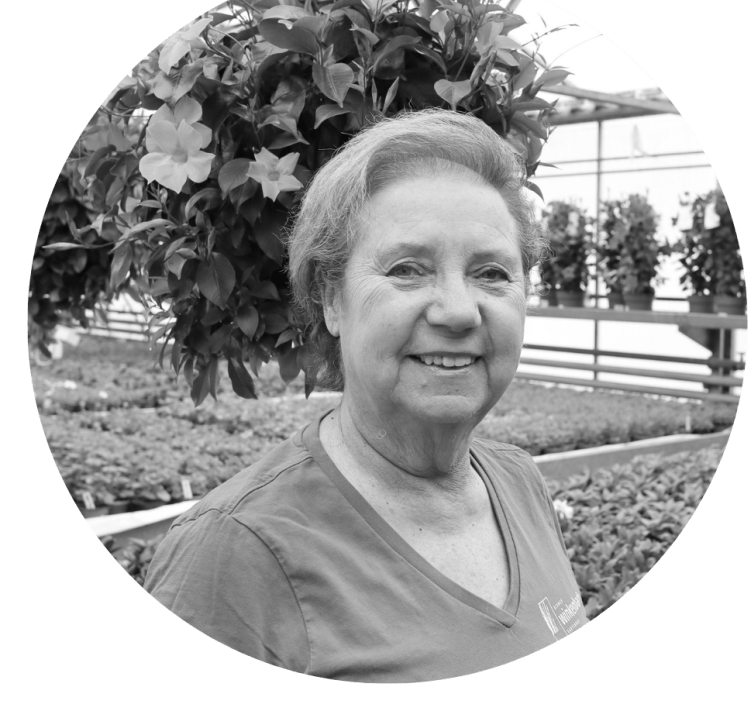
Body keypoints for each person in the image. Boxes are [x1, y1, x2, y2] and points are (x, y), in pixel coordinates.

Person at [145, 109, 588, 683]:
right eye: (407, 269)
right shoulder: (235, 553)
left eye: (492, 274)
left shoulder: (518, 481)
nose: (458, 311)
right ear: (332, 300)